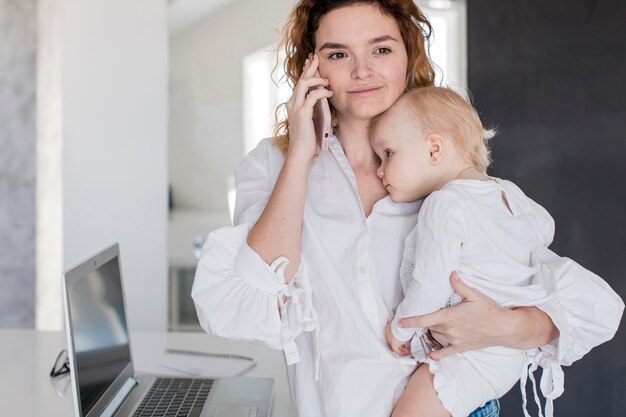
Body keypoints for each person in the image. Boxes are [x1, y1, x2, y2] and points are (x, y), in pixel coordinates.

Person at [191, 1, 624, 417]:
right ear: (312, 66)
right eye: (338, 53)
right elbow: (249, 298)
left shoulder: (443, 171)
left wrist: (505, 327)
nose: (362, 71)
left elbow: (566, 297)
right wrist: (301, 154)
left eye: (381, 49)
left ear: (408, 55)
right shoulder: (273, 164)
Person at [371, 86, 606, 417]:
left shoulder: (445, 203)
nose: (380, 171)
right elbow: (544, 226)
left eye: (388, 154)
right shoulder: (507, 193)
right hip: (506, 355)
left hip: (466, 357)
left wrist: (400, 329)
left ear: (434, 149)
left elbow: (431, 283)